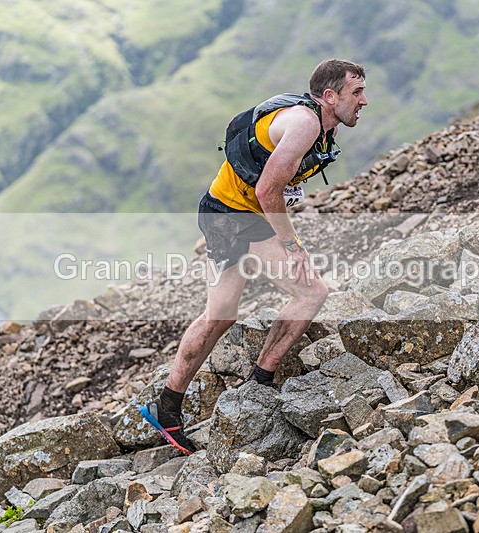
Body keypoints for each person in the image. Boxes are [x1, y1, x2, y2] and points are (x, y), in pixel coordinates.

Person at [140, 59, 368, 455]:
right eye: (357, 93)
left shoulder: (319, 124)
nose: (364, 101)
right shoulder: (305, 125)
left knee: (221, 315)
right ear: (329, 97)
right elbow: (267, 191)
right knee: (311, 292)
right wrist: (294, 247)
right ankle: (258, 386)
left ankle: (168, 407)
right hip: (238, 216)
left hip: (222, 210)